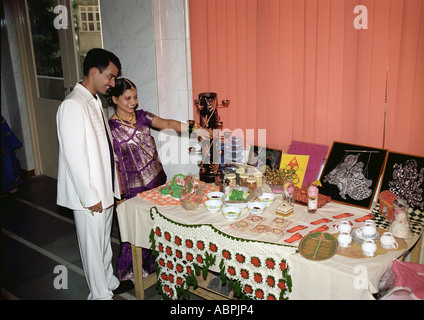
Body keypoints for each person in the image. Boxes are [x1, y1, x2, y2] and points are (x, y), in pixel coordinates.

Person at [56, 48, 130, 300]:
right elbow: (73, 157)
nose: (112, 83)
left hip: (104, 187)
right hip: (89, 195)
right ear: (93, 71)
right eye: (110, 77)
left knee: (103, 242)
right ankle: (99, 295)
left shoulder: (95, 100)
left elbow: (104, 148)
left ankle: (108, 281)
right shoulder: (72, 105)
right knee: (91, 246)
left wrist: (112, 185)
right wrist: (89, 196)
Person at [107, 78, 192, 281]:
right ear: (114, 99)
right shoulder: (110, 128)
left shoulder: (142, 117)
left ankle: (159, 265)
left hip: (155, 181)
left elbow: (168, 123)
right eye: (127, 98)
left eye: (135, 97)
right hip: (131, 189)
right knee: (135, 231)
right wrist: (118, 195)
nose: (133, 102)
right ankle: (133, 271)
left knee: (158, 226)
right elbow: (115, 164)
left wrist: (195, 128)